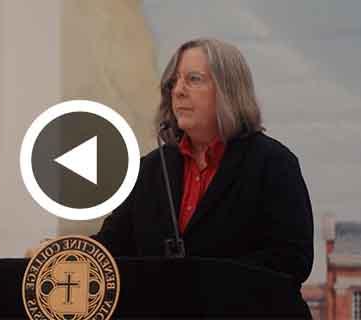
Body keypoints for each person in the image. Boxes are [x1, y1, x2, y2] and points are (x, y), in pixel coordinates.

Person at [92, 38, 314, 285]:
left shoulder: (273, 164)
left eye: (193, 79)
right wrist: (64, 257)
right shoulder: (152, 168)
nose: (178, 90)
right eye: (174, 82)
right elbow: (111, 246)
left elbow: (293, 260)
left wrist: (202, 281)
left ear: (229, 90)